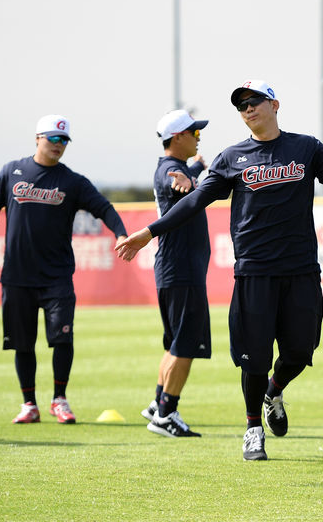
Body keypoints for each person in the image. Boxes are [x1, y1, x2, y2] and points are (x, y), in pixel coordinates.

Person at [115, 80, 323, 461]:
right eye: (241, 105)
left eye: (254, 101)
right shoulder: (231, 158)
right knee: (254, 358)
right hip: (254, 272)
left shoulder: (306, 148)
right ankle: (252, 429)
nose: (247, 108)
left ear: (274, 105)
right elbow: (194, 201)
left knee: (300, 350)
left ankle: (274, 390)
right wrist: (149, 232)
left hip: (300, 270)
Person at [0, 115, 127, 425]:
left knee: (62, 338)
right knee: (22, 343)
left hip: (57, 276)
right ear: (38, 138)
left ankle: (59, 399)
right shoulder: (12, 172)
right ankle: (29, 404)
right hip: (17, 275)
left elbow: (104, 208)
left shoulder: (72, 181)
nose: (59, 145)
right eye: (53, 138)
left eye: (64, 140)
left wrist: (120, 234)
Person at [139, 109, 211, 438]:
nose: (198, 137)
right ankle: (166, 414)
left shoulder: (172, 166)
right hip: (181, 270)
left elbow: (183, 174)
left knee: (175, 344)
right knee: (185, 345)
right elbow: (177, 182)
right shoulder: (171, 171)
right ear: (178, 137)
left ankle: (158, 404)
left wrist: (196, 168)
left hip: (174, 268)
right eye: (194, 133)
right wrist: (191, 179)